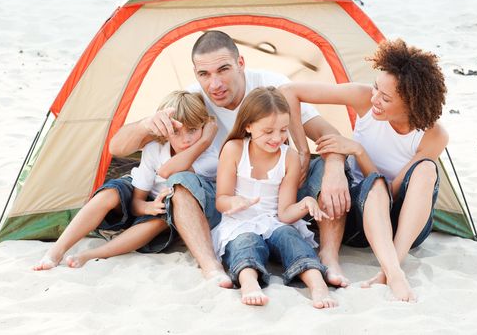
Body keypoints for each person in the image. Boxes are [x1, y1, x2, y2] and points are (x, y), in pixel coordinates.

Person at [109, 31, 351, 287]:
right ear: (196, 74)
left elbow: (328, 134)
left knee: (329, 166)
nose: (215, 84)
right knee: (181, 182)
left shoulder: (272, 88)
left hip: (282, 191)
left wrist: (335, 169)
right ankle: (210, 265)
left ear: (240, 64)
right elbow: (117, 146)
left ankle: (329, 256)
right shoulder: (194, 101)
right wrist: (145, 126)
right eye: (204, 74)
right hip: (224, 198)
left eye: (223, 69)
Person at [279, 39, 449, 302]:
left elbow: (393, 192)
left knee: (426, 170)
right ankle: (393, 272)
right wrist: (302, 149)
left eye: (386, 98)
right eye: (376, 88)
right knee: (374, 185)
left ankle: (392, 269)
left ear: (412, 103)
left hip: (404, 226)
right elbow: (289, 91)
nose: (375, 99)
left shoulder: (433, 135)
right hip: (361, 220)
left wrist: (358, 151)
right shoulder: (363, 100)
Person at [33, 91, 217, 270]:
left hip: (169, 209)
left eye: (193, 130)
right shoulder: (155, 148)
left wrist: (205, 142)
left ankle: (92, 254)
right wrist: (146, 207)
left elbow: (168, 170)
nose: (186, 140)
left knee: (160, 220)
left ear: (203, 126)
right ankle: (56, 251)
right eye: (176, 132)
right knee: (110, 193)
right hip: (144, 201)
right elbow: (136, 201)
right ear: (165, 132)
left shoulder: (210, 157)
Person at [214, 87, 337, 308]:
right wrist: (233, 202)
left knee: (292, 240)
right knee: (245, 243)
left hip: (274, 221)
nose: (277, 138)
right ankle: (250, 283)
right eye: (268, 131)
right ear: (248, 126)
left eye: (283, 130)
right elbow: (221, 200)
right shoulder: (233, 149)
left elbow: (285, 213)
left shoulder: (289, 157)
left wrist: (305, 203)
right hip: (240, 222)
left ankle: (318, 286)